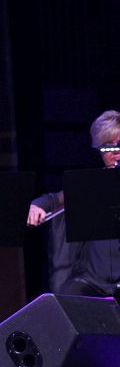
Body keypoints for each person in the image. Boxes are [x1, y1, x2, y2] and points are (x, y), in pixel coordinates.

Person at [27, 110, 120, 296]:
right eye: (107, 148)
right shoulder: (92, 184)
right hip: (93, 281)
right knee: (68, 295)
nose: (115, 153)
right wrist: (35, 207)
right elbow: (54, 199)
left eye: (119, 146)